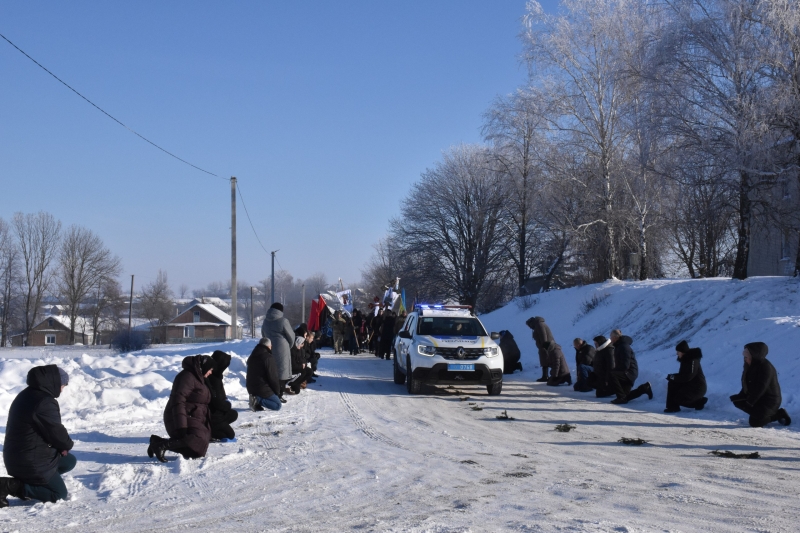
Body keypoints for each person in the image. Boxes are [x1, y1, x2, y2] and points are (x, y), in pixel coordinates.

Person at [1, 365, 76, 506]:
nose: (62, 389)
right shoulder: (45, 402)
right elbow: (56, 431)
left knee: (69, 461)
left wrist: (61, 446)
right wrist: (66, 445)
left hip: (17, 456)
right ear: (54, 383)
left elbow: (47, 431)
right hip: (30, 461)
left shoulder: (27, 394)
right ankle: (11, 486)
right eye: (62, 385)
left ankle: (34, 482)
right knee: (59, 495)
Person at [149, 354, 215, 462]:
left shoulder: (199, 377)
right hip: (176, 416)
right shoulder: (186, 377)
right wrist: (181, 427)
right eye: (210, 369)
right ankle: (162, 446)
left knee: (197, 450)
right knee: (198, 439)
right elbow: (178, 401)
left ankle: (157, 442)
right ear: (204, 367)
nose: (210, 372)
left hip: (190, 416)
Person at [730, 342, 791, 427]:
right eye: (744, 357)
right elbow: (747, 383)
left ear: (754, 355)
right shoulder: (750, 365)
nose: (745, 359)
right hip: (759, 398)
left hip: (769, 401)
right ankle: (759, 414)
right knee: (737, 401)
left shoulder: (765, 367)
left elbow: (761, 387)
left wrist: (750, 402)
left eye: (747, 357)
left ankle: (778, 414)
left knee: (755, 423)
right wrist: (741, 395)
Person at [608, 329, 652, 404]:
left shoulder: (623, 347)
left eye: (611, 337)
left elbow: (625, 365)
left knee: (612, 374)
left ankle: (621, 398)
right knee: (626, 396)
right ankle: (644, 388)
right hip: (627, 372)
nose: (610, 339)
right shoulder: (619, 346)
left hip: (629, 372)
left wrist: (615, 371)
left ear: (615, 337)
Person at [261, 302, 295, 397]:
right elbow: (291, 336)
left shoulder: (265, 321)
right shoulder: (283, 321)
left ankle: (273, 391)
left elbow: (263, 334)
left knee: (272, 369)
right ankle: (280, 392)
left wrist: (267, 345)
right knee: (282, 370)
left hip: (269, 347)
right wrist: (288, 346)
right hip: (282, 348)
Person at [664, 340, 708, 413]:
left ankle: (699, 403)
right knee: (672, 383)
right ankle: (672, 407)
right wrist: (672, 377)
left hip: (697, 388)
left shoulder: (693, 360)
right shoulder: (685, 360)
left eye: (678, 352)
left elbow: (688, 376)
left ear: (682, 351)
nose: (677, 353)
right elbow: (682, 375)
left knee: (679, 399)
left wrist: (674, 377)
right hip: (689, 385)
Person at [208, 350, 238, 440]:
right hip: (214, 416)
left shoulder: (216, 375)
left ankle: (215, 427)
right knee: (230, 435)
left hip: (217, 413)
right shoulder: (213, 379)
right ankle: (209, 432)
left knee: (233, 414)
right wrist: (227, 405)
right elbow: (218, 403)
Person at [247, 338, 283, 411]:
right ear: (268, 346)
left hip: (250, 387)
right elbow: (273, 377)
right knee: (277, 405)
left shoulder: (252, 355)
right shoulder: (268, 357)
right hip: (262, 388)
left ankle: (256, 400)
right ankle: (257, 400)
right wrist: (277, 391)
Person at [526, 316, 554, 382]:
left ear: (531, 323)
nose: (530, 327)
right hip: (545, 346)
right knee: (546, 361)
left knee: (546, 360)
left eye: (529, 325)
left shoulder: (539, 325)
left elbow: (543, 336)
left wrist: (543, 346)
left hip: (546, 346)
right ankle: (546, 375)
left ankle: (546, 376)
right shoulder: (538, 325)